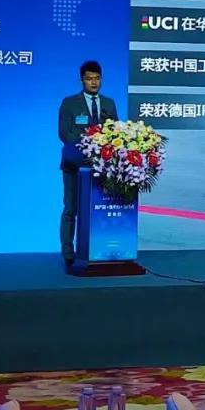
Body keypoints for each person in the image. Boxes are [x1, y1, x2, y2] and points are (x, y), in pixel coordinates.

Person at [58, 60, 118, 263]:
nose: (94, 82)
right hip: (74, 166)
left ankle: (97, 248)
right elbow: (65, 134)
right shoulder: (69, 103)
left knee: (99, 209)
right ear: (81, 80)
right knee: (71, 208)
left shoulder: (109, 103)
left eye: (97, 78)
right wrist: (89, 145)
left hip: (101, 168)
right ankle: (68, 250)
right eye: (89, 78)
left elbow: (115, 133)